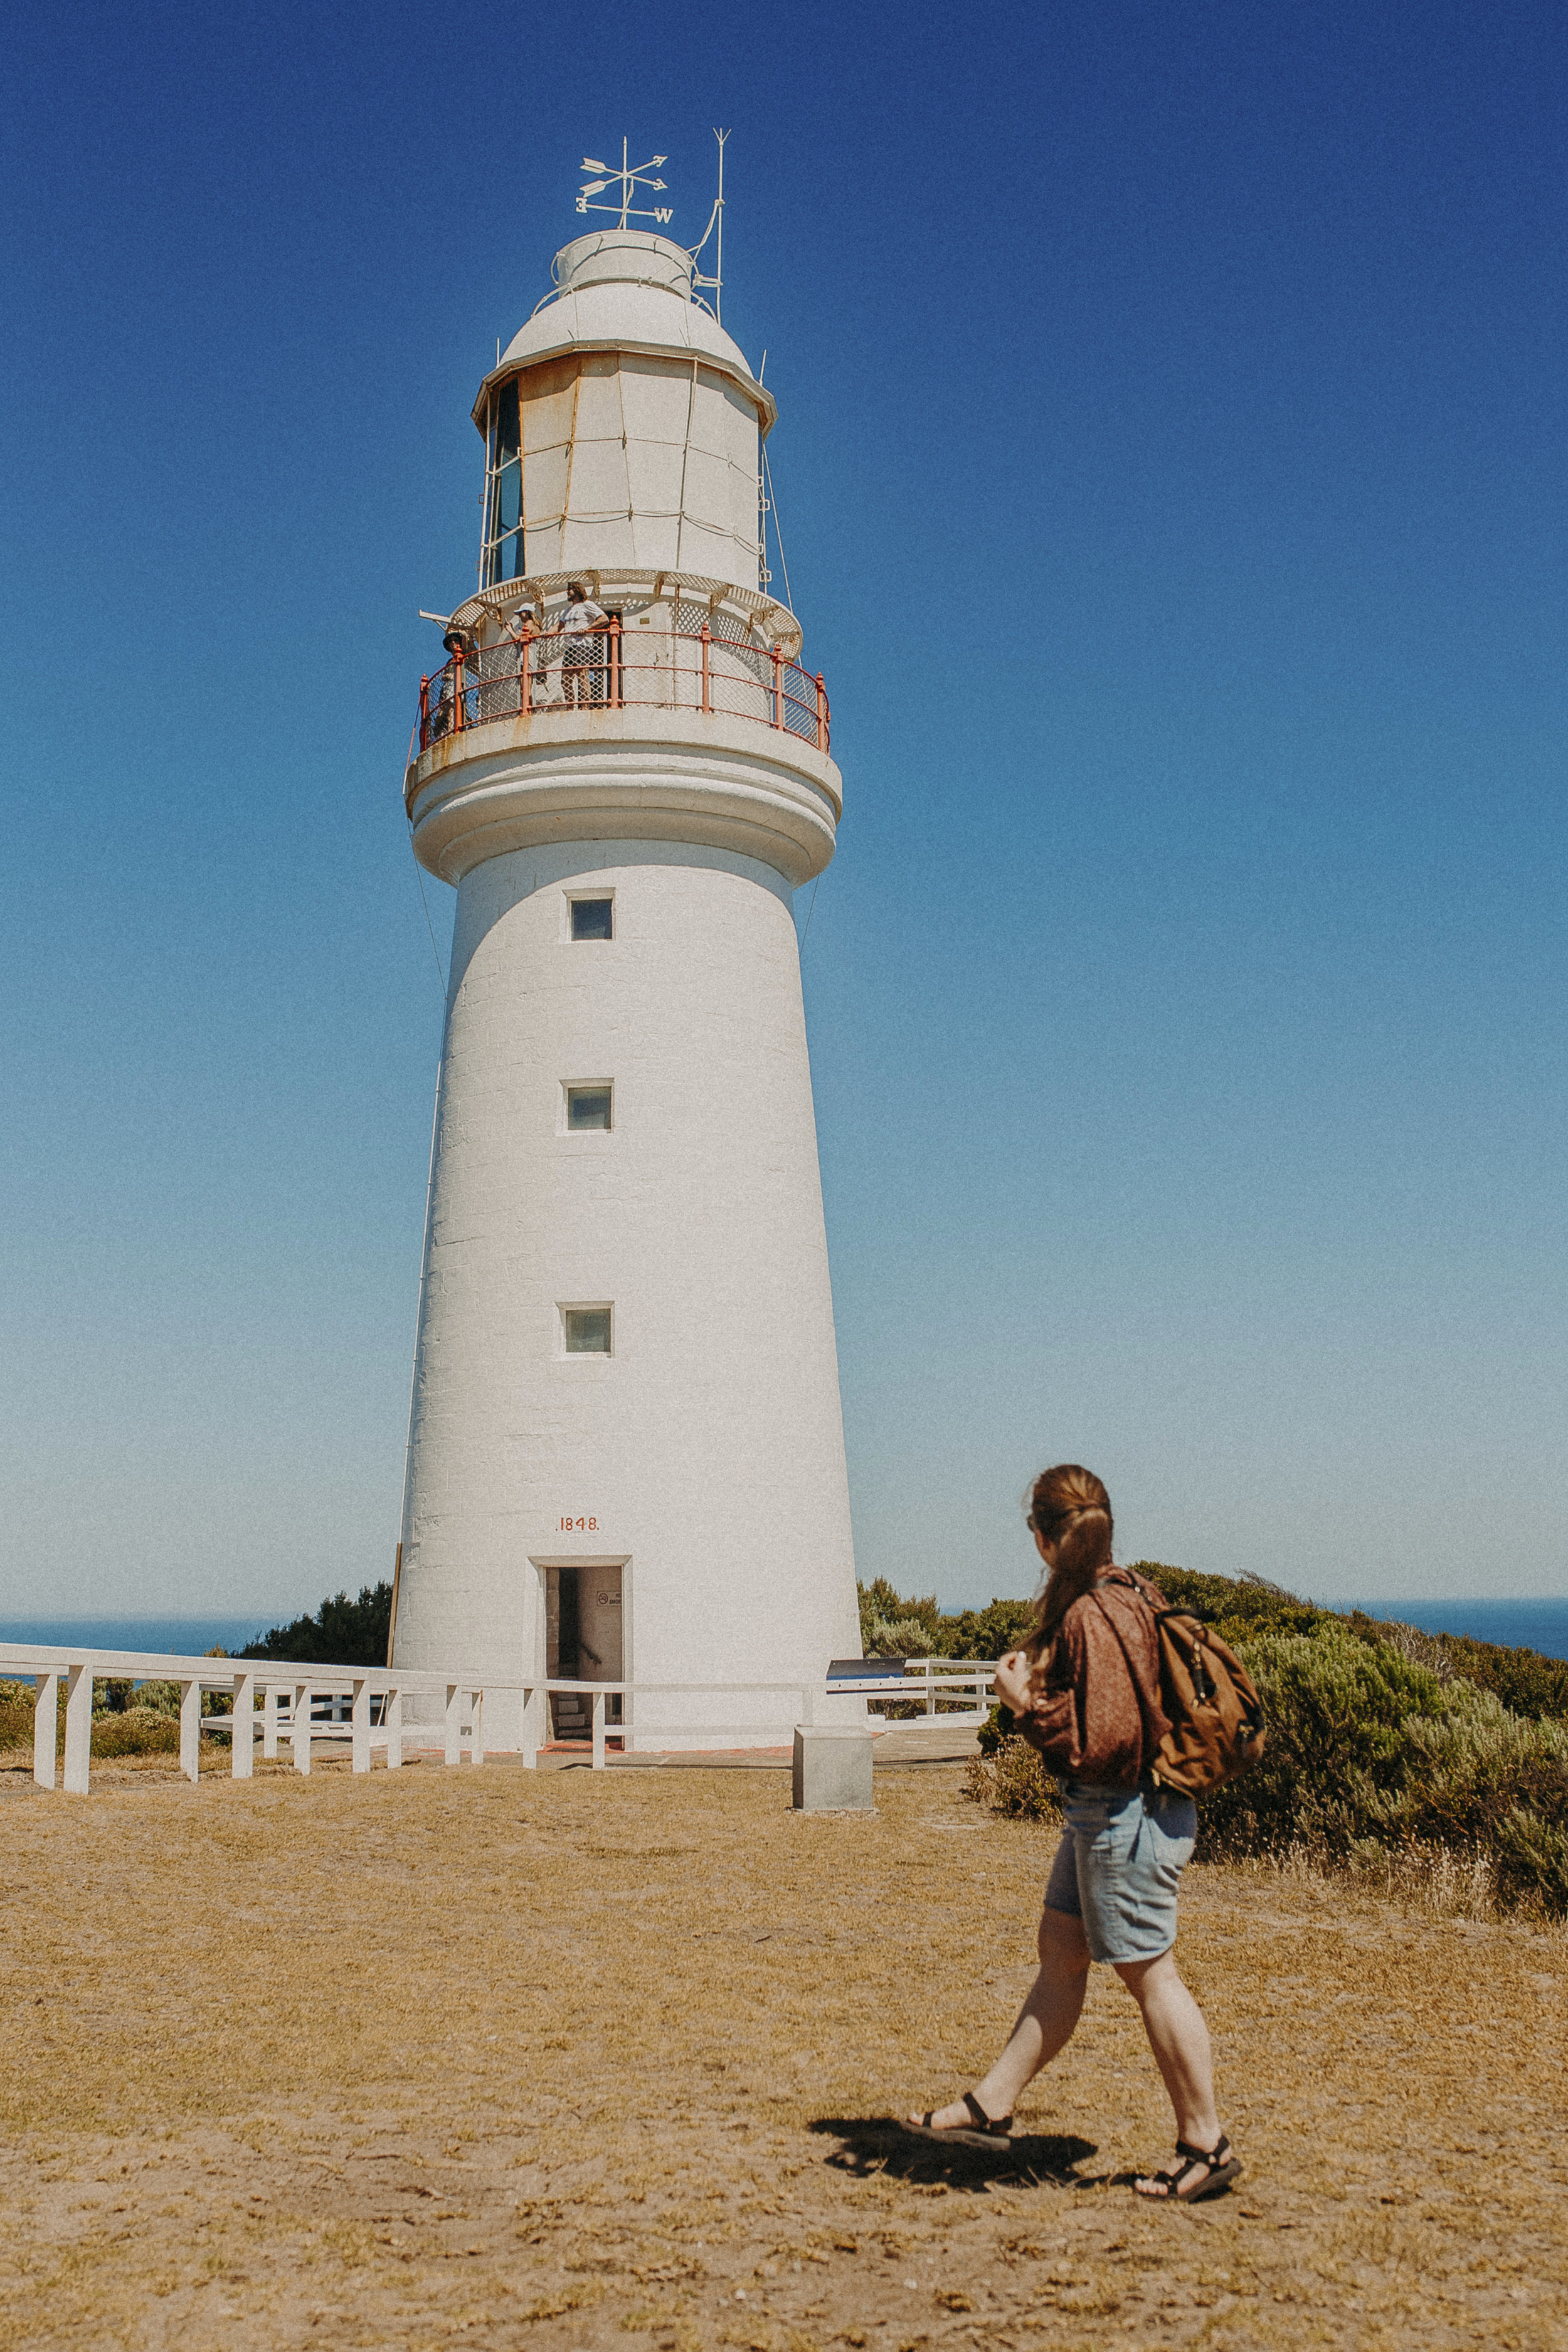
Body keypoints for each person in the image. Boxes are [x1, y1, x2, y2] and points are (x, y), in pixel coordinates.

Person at [906, 1463, 1242, 2203]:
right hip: (1114, 1816)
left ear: (1043, 1537)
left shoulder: (1094, 1611)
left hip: (1125, 1817)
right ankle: (993, 2103)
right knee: (1061, 1952)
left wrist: (1023, 1703)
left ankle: (1205, 2143)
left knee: (1150, 1973)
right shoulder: (1131, 1590)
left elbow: (1108, 1747)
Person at [557, 580, 609, 707]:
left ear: (577, 590)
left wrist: (587, 629)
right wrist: (546, 633)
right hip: (569, 647)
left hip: (582, 645)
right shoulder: (569, 610)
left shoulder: (587, 605)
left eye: (570, 589)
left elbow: (604, 618)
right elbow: (559, 626)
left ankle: (585, 707)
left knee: (582, 675)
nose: (567, 592)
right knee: (565, 680)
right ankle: (570, 707)